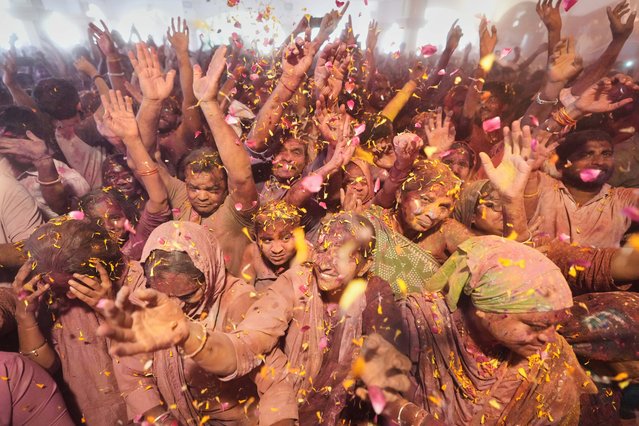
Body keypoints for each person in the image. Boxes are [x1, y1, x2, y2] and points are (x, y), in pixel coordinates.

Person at [357, 236, 596, 425]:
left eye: (555, 326)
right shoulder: (418, 323)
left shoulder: (550, 355)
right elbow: (366, 389)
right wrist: (412, 416)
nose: (548, 337)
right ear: (485, 309)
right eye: (535, 326)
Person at [112, 221, 295, 425]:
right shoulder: (147, 299)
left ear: (210, 273)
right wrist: (164, 421)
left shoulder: (239, 301)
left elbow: (275, 380)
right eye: (165, 295)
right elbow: (132, 374)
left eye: (188, 296)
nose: (175, 307)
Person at [13, 219, 127, 425]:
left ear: (100, 267)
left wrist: (109, 311)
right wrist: (25, 317)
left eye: (77, 285)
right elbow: (45, 369)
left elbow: (144, 364)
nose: (70, 297)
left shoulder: (136, 281)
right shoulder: (47, 293)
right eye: (59, 288)